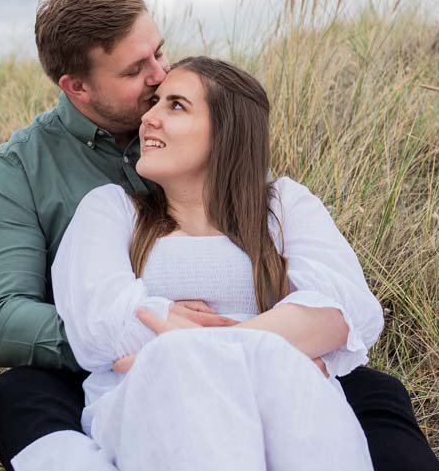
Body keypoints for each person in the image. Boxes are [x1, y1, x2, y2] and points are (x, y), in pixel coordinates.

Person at [0, 0, 439, 471]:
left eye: (159, 54)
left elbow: (336, 299)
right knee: (17, 395)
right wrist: (142, 336)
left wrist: (214, 347)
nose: (158, 76)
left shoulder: (272, 194)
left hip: (271, 347)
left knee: (377, 396)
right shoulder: (29, 170)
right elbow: (4, 317)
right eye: (137, 72)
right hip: (116, 361)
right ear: (78, 87)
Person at [53, 56, 381, 470]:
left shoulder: (283, 206)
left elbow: (343, 311)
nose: (148, 118)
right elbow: (103, 329)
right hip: (154, 402)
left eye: (175, 105)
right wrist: (278, 345)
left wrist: (195, 348)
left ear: (226, 132)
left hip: (278, 399)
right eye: (154, 102)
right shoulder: (111, 210)